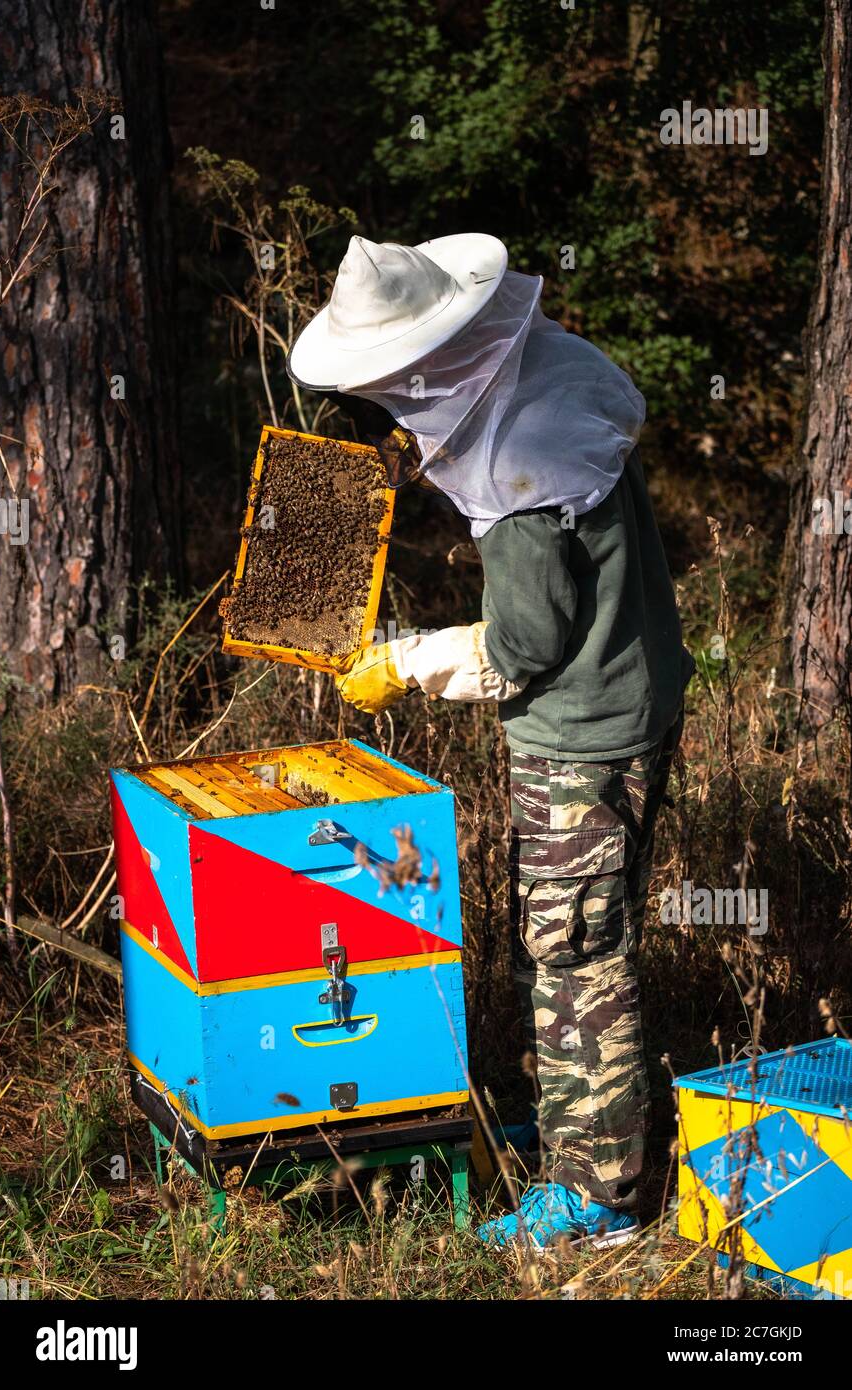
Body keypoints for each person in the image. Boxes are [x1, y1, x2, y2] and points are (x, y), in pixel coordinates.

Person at [287, 234, 694, 1251]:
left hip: (583, 732)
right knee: (584, 935)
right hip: (633, 692)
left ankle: (596, 1196)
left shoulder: (516, 463)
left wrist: (402, 662)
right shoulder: (550, 370)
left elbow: (523, 644)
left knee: (571, 954)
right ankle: (579, 1137)